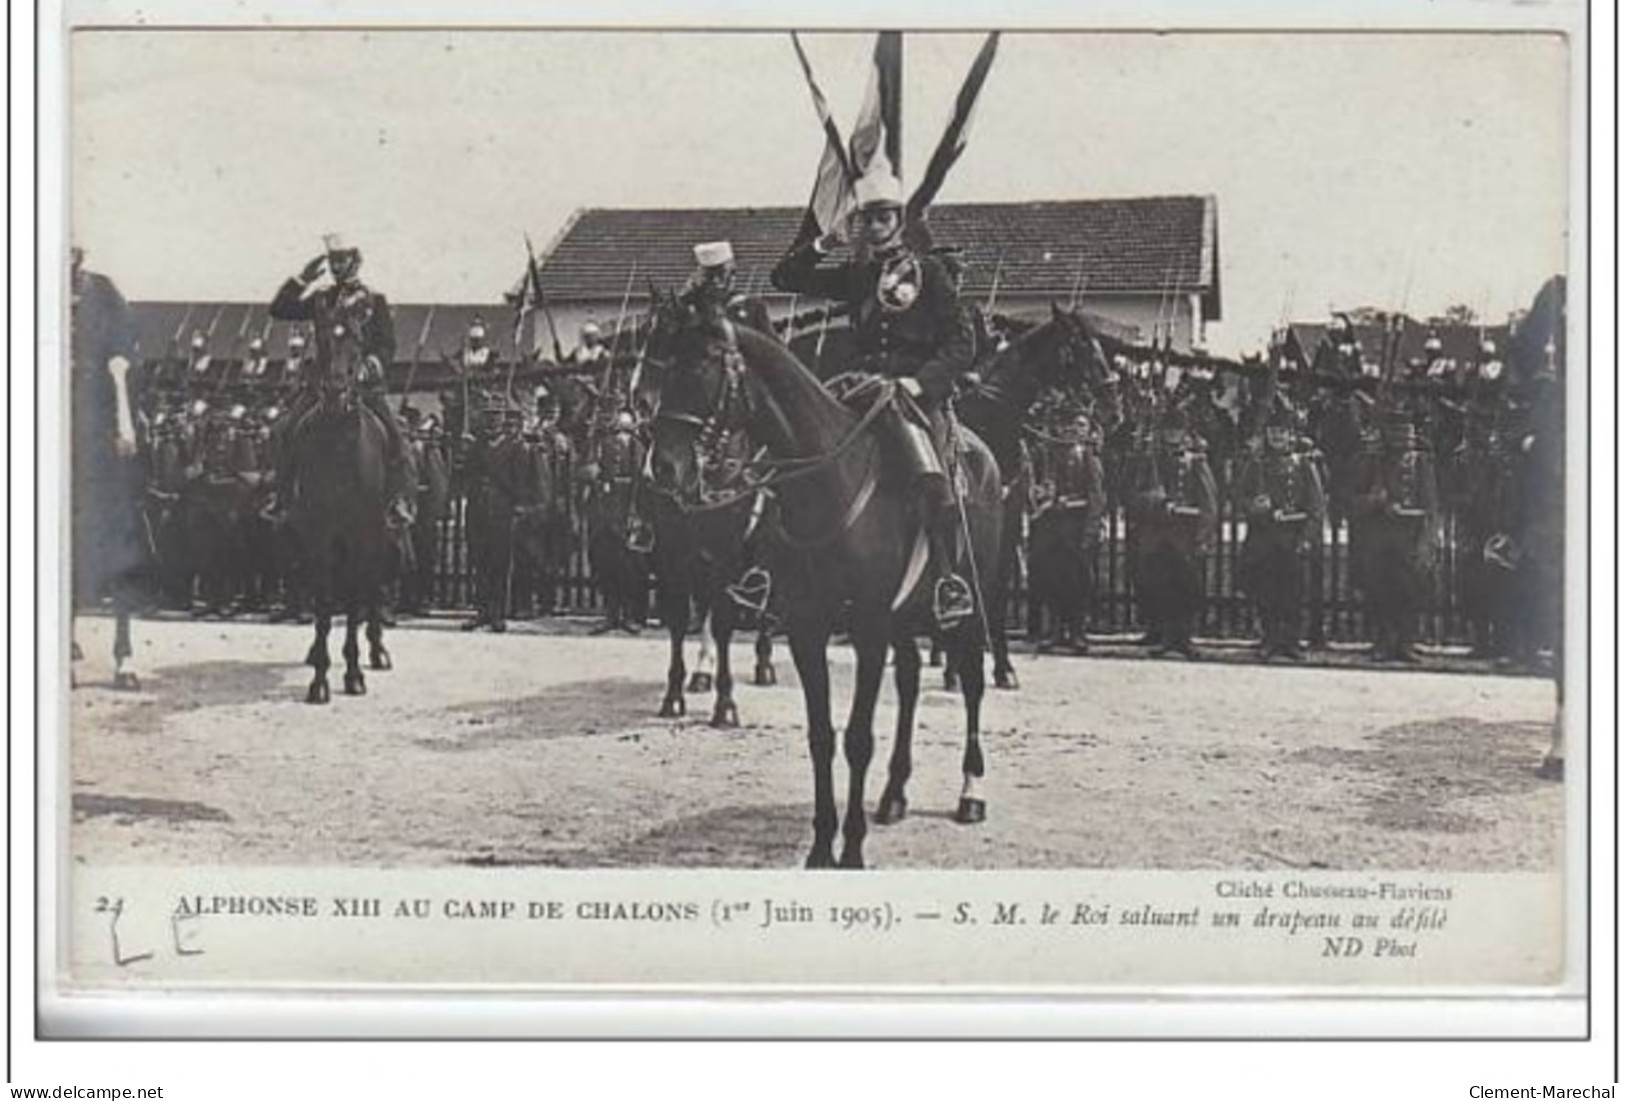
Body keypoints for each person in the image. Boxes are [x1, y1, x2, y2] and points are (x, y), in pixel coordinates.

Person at [769, 168, 977, 627]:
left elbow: (962, 343)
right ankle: (778, 574)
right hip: (860, 386)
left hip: (912, 393)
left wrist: (921, 383)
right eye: (867, 218)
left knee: (933, 481)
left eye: (883, 217)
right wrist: (826, 242)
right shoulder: (858, 273)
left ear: (900, 220)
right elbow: (783, 277)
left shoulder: (932, 272)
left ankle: (947, 581)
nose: (875, 226)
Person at [267, 235, 415, 530]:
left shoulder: (374, 300)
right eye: (332, 260)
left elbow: (387, 344)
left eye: (342, 259)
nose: (337, 265)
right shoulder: (320, 298)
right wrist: (302, 278)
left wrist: (370, 366)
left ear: (354, 260)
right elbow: (280, 309)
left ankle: (397, 500)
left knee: (396, 438)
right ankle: (282, 496)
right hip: (322, 386)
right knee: (285, 430)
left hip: (362, 385)